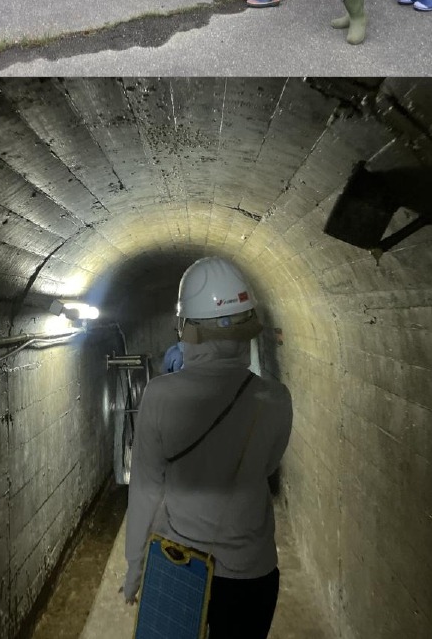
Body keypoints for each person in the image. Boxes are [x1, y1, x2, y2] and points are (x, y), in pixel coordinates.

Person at [121, 258, 292, 638]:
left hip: (181, 565)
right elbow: (267, 466)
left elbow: (146, 489)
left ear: (187, 328)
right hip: (252, 573)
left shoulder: (160, 395)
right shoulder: (276, 397)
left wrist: (135, 565)